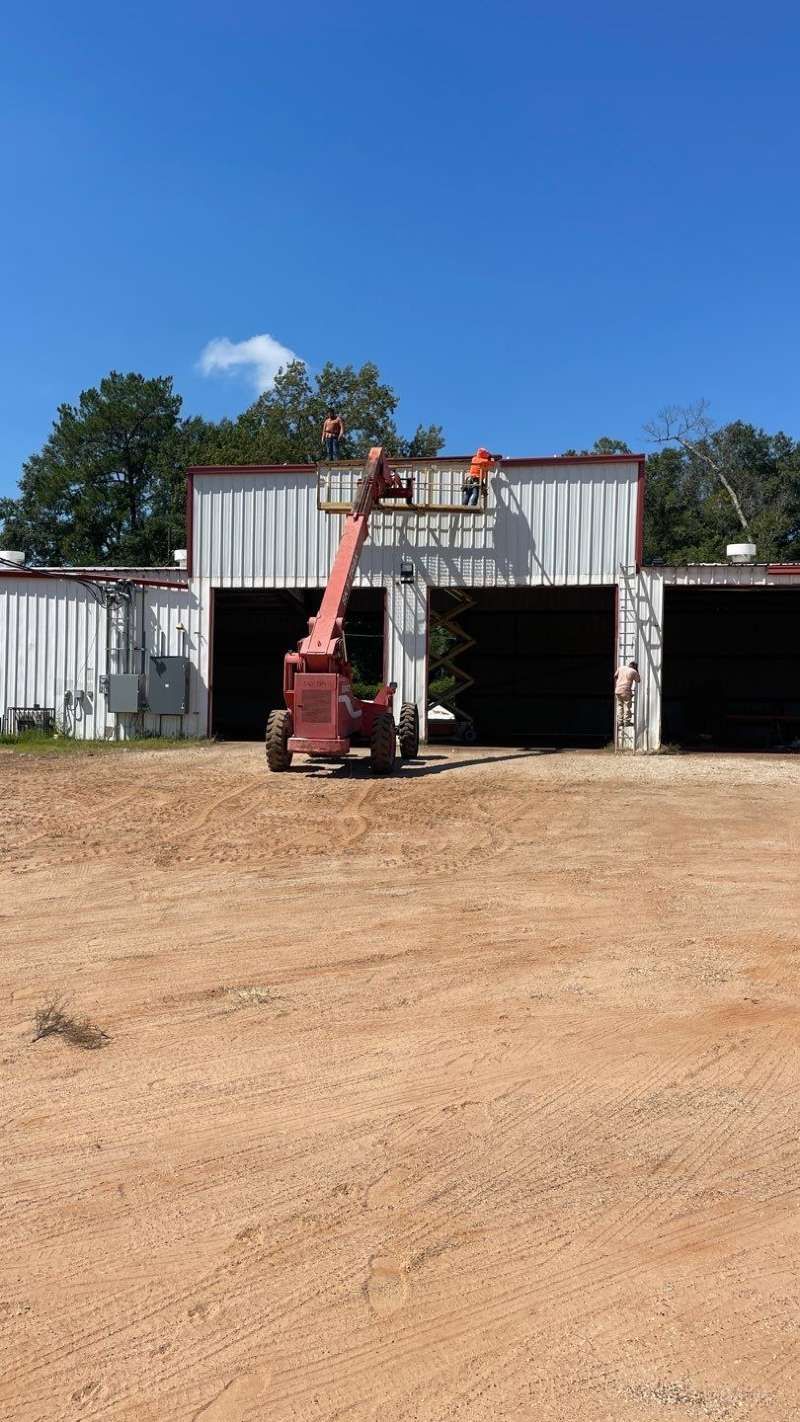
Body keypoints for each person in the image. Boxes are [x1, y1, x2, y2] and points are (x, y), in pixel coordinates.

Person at [614, 659, 640, 727]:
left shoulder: (621, 668)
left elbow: (615, 676)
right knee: (627, 706)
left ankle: (620, 721)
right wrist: (637, 671)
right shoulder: (633, 671)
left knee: (620, 706)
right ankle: (626, 722)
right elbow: (638, 680)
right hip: (626, 691)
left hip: (618, 690)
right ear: (635, 667)